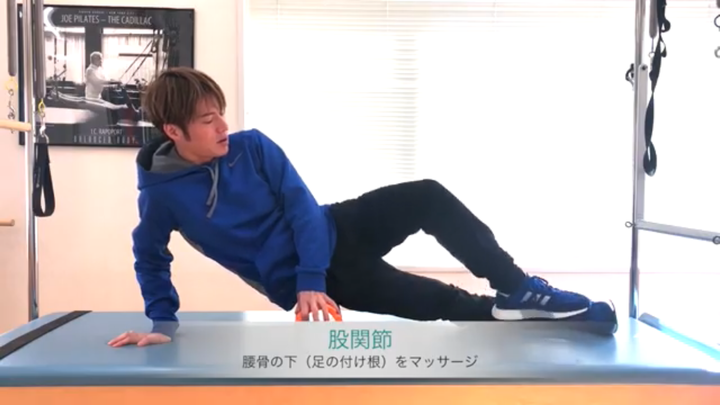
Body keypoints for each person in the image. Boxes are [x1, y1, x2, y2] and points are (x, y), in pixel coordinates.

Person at [109, 67, 617, 348]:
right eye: (208, 120)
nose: (224, 126)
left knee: (427, 194)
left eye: (221, 113)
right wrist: (162, 323)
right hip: (332, 281)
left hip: (333, 228)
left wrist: (310, 275)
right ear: (174, 131)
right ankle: (549, 323)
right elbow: (150, 257)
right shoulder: (161, 197)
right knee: (447, 304)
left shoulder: (252, 146)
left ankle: (517, 286)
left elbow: (300, 205)